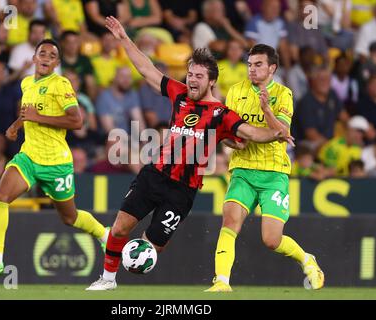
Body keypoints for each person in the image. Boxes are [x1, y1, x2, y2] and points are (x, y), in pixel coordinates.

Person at [86, 16, 293, 291]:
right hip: (154, 175)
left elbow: (252, 134)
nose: (191, 79)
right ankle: (108, 279)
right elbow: (147, 70)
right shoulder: (179, 94)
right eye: (190, 74)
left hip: (183, 191)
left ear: (211, 81)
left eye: (198, 76)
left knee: (154, 244)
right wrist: (124, 38)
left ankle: (136, 259)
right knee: (120, 227)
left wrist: (277, 132)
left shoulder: (222, 114)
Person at [0, 39, 109, 276]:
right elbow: (28, 113)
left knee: (70, 217)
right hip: (29, 157)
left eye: (51, 56)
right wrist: (16, 125)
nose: (45, 58)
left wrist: (37, 117)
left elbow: (77, 121)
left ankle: (104, 234)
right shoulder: (26, 83)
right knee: (0, 196)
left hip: (56, 163)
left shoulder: (60, 84)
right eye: (42, 53)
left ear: (57, 63)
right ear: (34, 58)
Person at [205, 44, 324, 293]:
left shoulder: (283, 94)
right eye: (249, 64)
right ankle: (221, 282)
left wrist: (266, 109)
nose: (252, 69)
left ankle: (307, 259)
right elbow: (230, 134)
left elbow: (282, 133)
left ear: (272, 68)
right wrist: (226, 139)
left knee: (271, 240)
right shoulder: (236, 92)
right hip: (243, 169)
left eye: (258, 64)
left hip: (274, 173)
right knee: (229, 221)